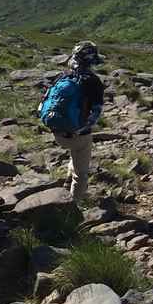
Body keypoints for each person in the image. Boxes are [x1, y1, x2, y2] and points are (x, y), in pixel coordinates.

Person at [44, 41, 106, 200]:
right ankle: (74, 205)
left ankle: (66, 183)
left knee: (75, 151)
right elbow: (96, 113)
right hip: (77, 134)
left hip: (56, 132)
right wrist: (82, 128)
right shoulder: (93, 81)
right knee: (82, 173)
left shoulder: (62, 76)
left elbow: (44, 102)